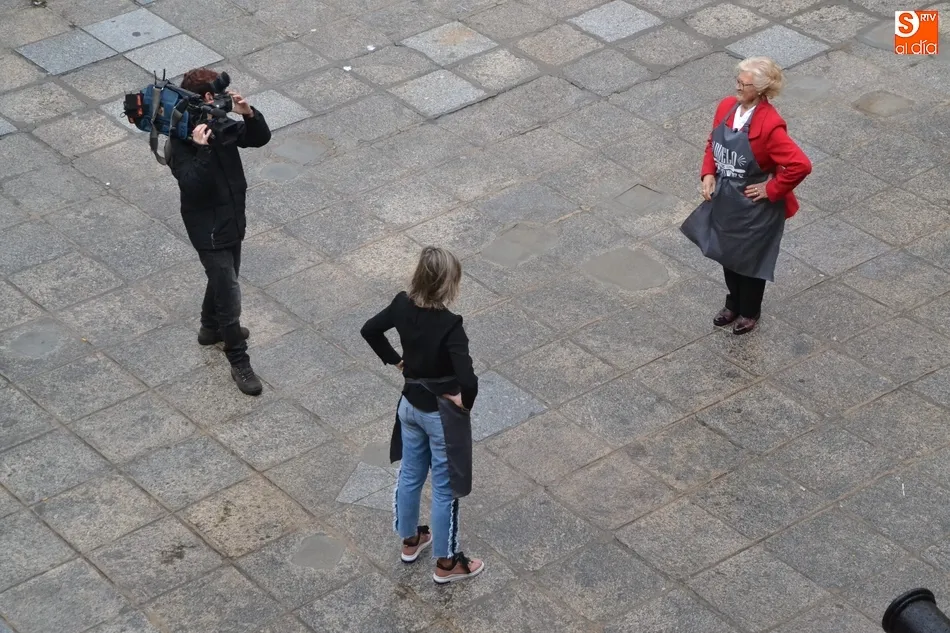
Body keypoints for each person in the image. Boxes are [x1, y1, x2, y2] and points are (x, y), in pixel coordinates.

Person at [361, 246, 484, 584]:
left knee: (410, 474)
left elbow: (369, 330)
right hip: (440, 416)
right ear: (448, 284)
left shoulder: (402, 303)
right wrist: (464, 402)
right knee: (446, 489)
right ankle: (447, 564)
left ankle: (411, 539)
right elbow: (469, 380)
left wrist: (396, 360)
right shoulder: (450, 325)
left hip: (409, 406)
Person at [680, 56, 812, 335]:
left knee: (750, 261)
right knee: (728, 253)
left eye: (744, 83)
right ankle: (733, 303)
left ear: (761, 89)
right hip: (728, 199)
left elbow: (801, 165)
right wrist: (708, 174)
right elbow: (712, 142)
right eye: (737, 81)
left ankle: (749, 311)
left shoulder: (771, 125)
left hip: (756, 206)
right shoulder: (727, 107)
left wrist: (771, 188)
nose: (738, 87)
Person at [169, 68, 271, 395]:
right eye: (213, 97)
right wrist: (202, 149)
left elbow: (257, 139)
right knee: (229, 293)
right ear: (203, 99)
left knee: (224, 279)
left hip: (232, 218)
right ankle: (238, 359)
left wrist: (249, 115)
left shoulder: (217, 124)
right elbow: (191, 186)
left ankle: (208, 329)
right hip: (207, 228)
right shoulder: (180, 139)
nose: (219, 102)